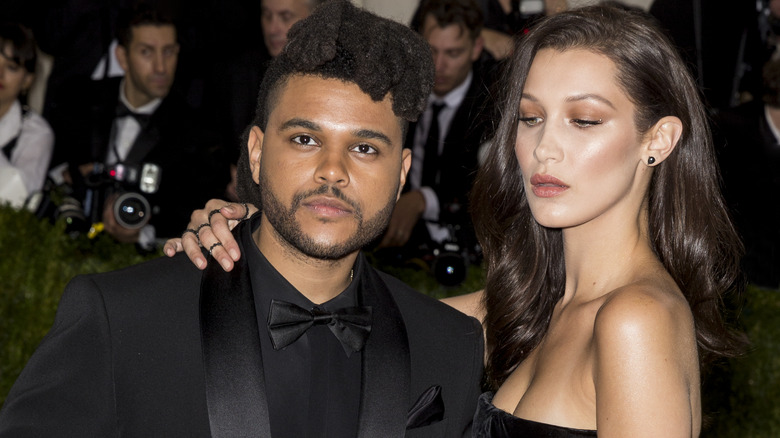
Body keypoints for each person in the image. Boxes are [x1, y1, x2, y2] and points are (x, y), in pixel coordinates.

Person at [175, 5, 745, 436]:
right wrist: (257, 230)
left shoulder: (634, 319)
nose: (545, 148)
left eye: (585, 121)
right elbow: (344, 320)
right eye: (529, 117)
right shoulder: (529, 305)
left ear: (659, 139)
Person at [0, 2, 483, 437]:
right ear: (255, 154)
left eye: (364, 148)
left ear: (401, 175)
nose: (333, 171)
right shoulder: (122, 318)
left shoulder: (448, 347)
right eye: (305, 140)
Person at [55, 3, 228, 248]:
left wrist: (140, 235)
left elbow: (196, 217)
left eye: (168, 52)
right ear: (122, 57)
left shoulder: (197, 132)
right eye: (147, 52)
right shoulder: (80, 100)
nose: (160, 67)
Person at [378, 0, 494, 259]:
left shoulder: (492, 103)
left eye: (453, 53)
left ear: (476, 49)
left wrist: (423, 200)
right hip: (396, 248)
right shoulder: (397, 90)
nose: (439, 66)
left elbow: (486, 190)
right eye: (431, 51)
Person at [207, 0, 326, 201]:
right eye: (267, 15)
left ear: (319, 19)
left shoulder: (344, 80)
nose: (272, 28)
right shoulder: (239, 75)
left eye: (285, 17)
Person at [0, 23, 53, 205]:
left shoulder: (36, 133)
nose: (0, 74)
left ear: (27, 80)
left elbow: (17, 198)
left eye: (11, 67)